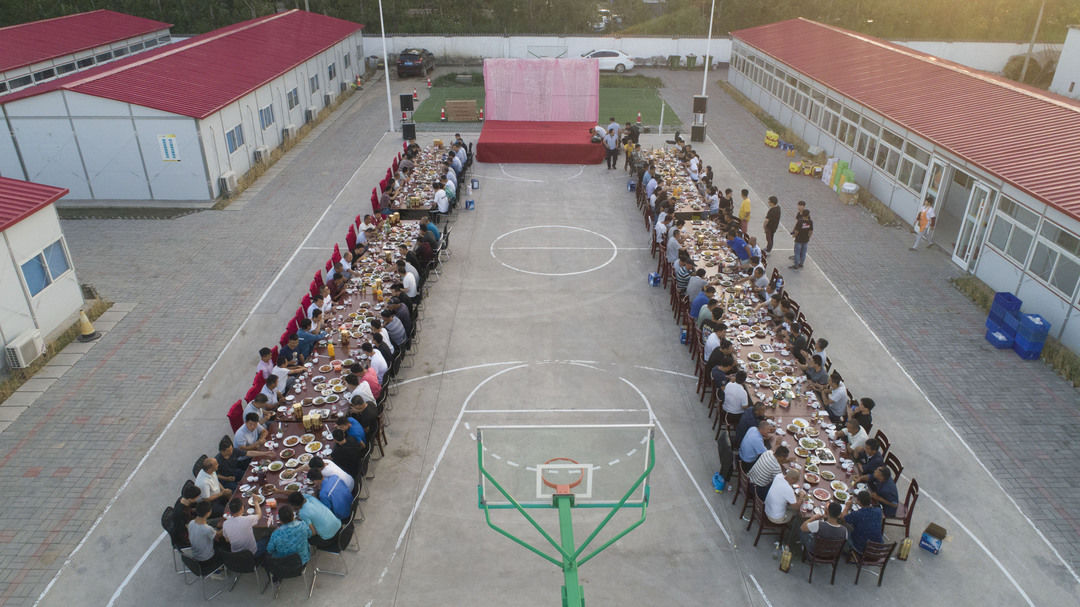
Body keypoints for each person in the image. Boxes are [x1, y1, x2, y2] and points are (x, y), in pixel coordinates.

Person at [187, 501, 224, 574]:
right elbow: (218, 536)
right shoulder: (207, 529)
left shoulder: (191, 523)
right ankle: (218, 569)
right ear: (208, 513)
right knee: (224, 544)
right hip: (208, 559)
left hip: (196, 556)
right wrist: (226, 525)